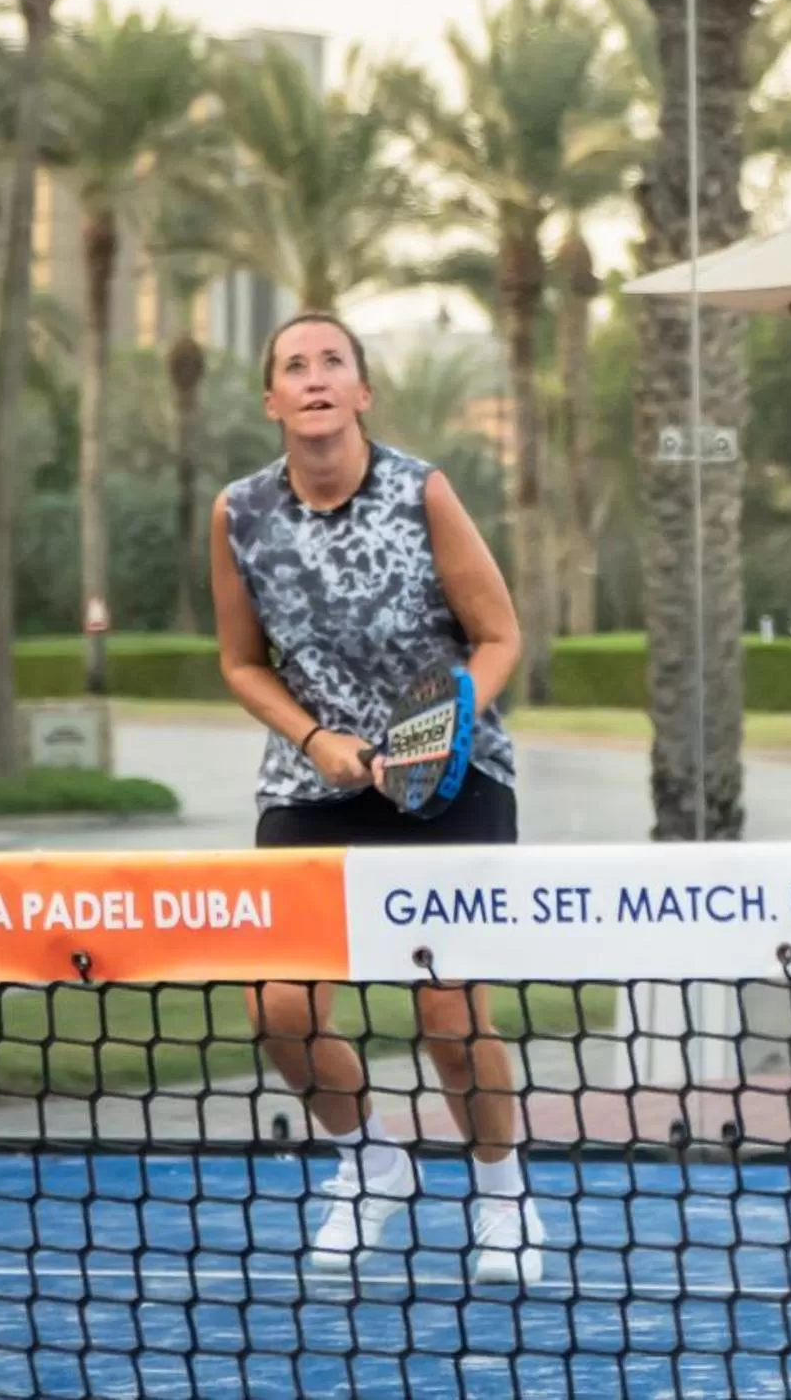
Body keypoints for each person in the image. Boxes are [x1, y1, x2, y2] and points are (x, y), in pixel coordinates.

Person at [209, 311, 543, 1285]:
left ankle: (502, 1191)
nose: (314, 378)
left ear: (361, 392)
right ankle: (371, 1161)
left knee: (447, 1010)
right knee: (278, 1012)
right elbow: (240, 661)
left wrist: (434, 731)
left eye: (333, 363)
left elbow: (499, 637)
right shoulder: (237, 513)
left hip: (451, 778)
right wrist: (320, 741)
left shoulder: (422, 491)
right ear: (272, 399)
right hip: (314, 782)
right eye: (293, 366)